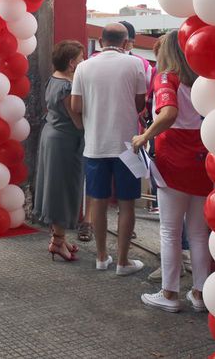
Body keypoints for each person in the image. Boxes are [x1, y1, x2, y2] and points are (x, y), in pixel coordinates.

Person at [132, 31, 212, 313]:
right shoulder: (203, 80)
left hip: (173, 160)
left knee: (170, 231)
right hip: (203, 160)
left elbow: (168, 113)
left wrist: (143, 137)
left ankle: (169, 294)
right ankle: (201, 294)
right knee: (199, 233)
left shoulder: (167, 78)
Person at [71, 23, 147, 276]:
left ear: (101, 41)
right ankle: (123, 262)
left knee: (99, 204)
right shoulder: (135, 64)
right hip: (127, 145)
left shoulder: (83, 66)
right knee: (127, 204)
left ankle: (102, 257)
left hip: (95, 146)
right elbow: (140, 103)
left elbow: (76, 105)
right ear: (126, 43)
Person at [33, 40, 85, 262]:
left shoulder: (54, 78)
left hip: (52, 135)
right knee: (62, 189)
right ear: (72, 63)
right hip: (64, 141)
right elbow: (78, 122)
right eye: (82, 59)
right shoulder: (67, 87)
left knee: (53, 186)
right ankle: (57, 241)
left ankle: (59, 239)